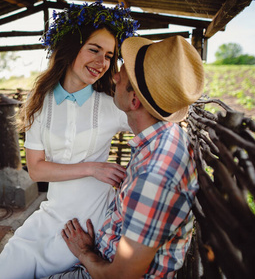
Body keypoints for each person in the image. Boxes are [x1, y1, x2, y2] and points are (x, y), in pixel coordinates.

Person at [0, 0, 139, 279]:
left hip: (93, 224)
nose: (101, 62)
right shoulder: (40, 103)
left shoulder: (112, 105)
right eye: (94, 50)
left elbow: (152, 128)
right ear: (71, 50)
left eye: (109, 55)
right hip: (51, 216)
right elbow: (36, 169)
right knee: (3, 270)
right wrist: (92, 167)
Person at [48, 35, 205, 278]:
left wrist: (85, 252)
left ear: (134, 100)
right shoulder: (164, 136)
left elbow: (120, 276)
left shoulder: (154, 176)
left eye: (122, 74)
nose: (114, 76)